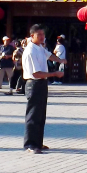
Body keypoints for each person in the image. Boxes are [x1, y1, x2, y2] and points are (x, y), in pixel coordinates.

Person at [21, 24, 63, 153]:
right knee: (33, 115)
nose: (42, 37)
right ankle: (30, 144)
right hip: (34, 83)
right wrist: (54, 74)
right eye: (39, 35)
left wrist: (61, 61)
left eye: (43, 34)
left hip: (42, 84)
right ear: (32, 36)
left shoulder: (39, 47)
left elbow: (50, 55)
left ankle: (38, 142)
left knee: (40, 115)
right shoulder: (30, 50)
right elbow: (36, 73)